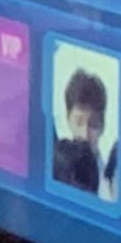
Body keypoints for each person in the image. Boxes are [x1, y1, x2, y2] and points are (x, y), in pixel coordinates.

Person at [50, 65, 113, 195]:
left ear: (103, 125)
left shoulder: (111, 186)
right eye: (79, 122)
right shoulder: (55, 169)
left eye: (93, 124)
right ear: (68, 118)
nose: (85, 134)